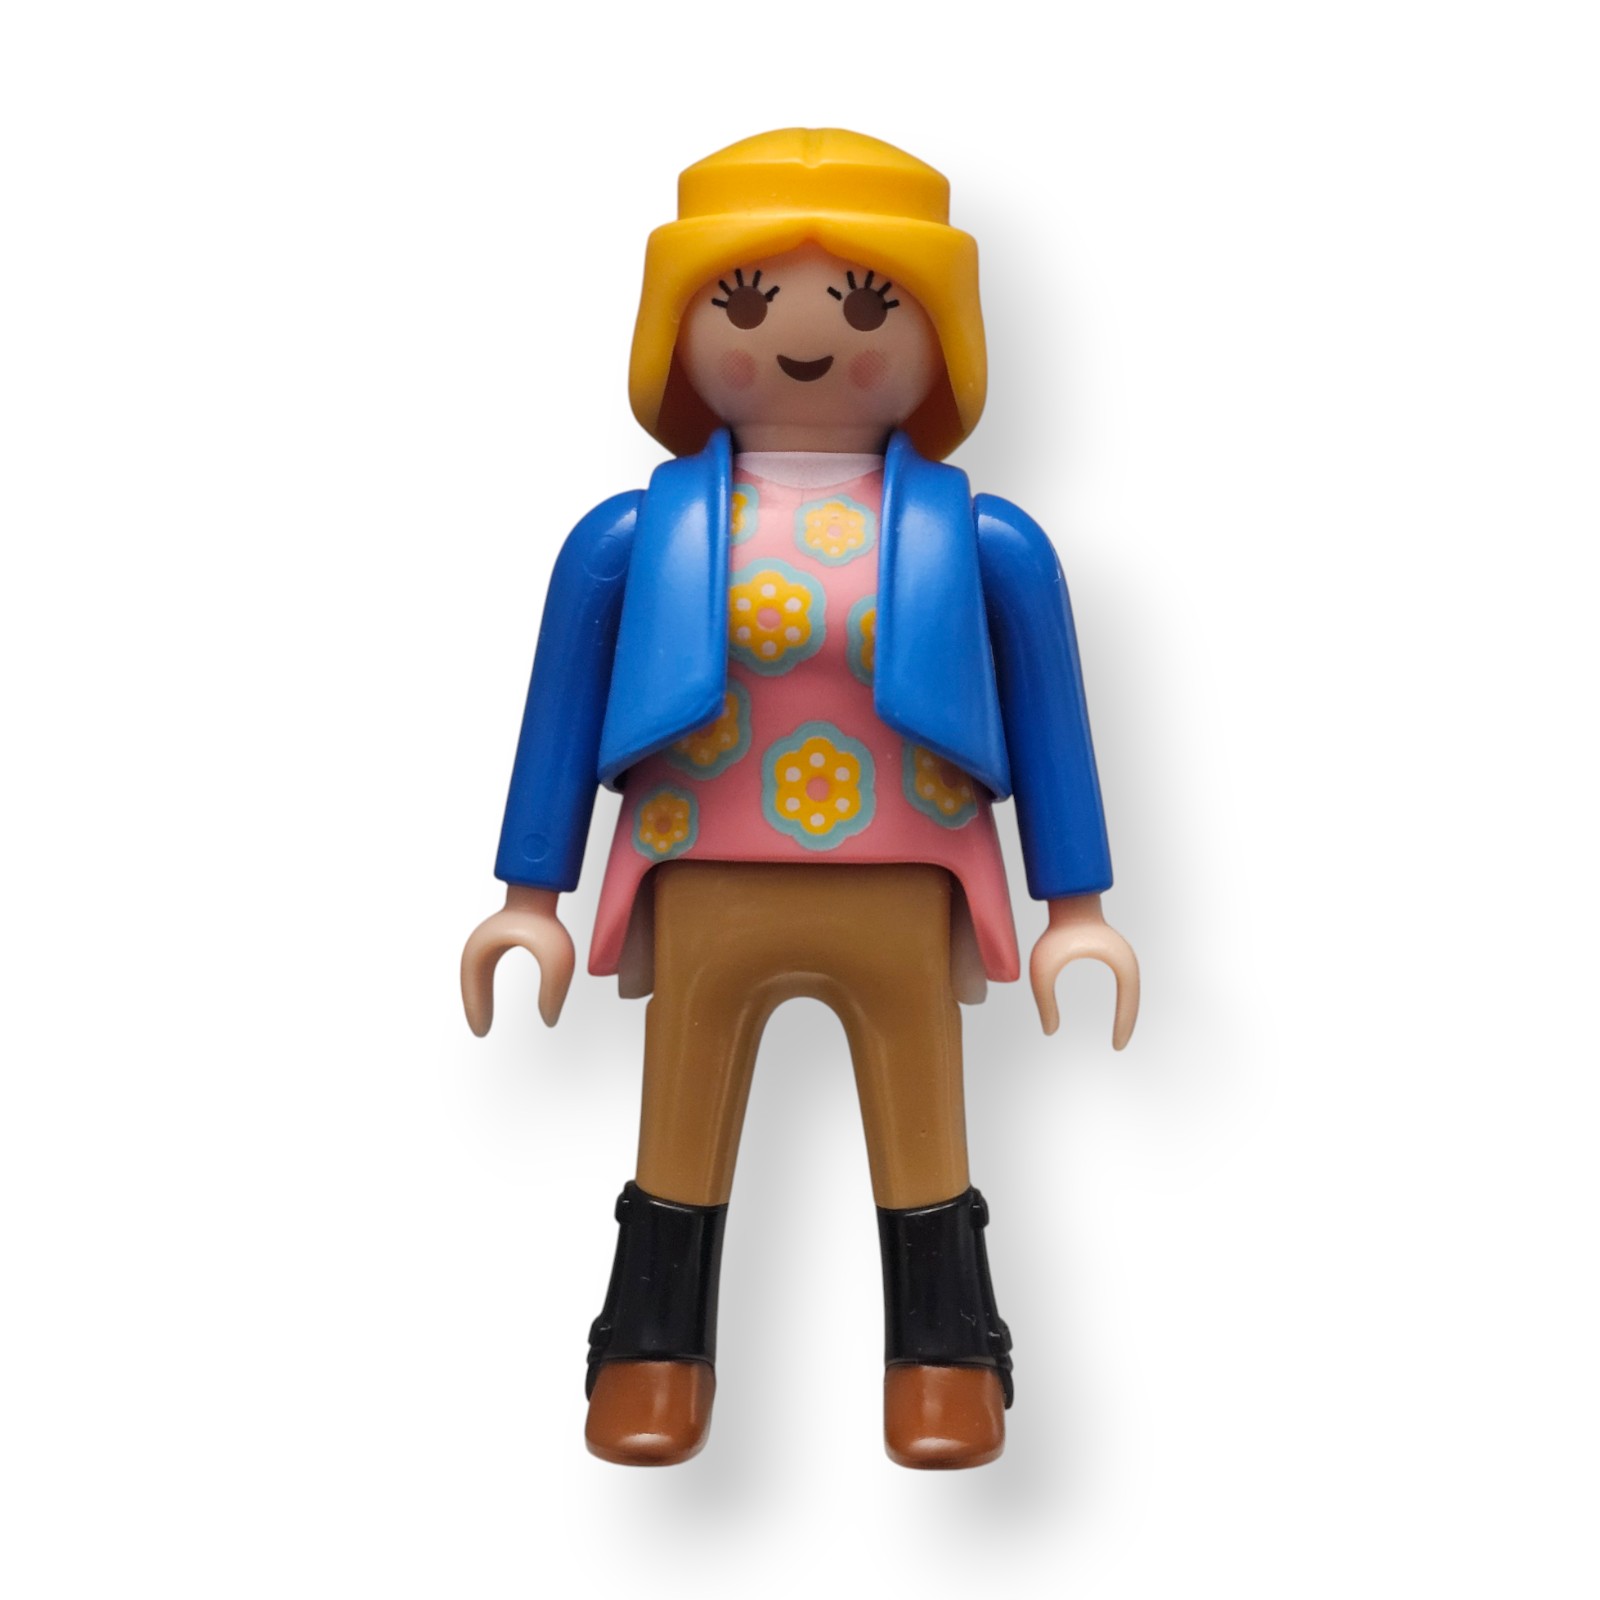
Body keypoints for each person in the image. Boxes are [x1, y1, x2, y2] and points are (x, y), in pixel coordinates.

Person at [460, 128, 1139, 1469]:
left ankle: (947, 1362)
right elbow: (560, 710)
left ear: (944, 338)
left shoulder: (984, 540)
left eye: (872, 308)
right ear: (679, 331)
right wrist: (528, 895)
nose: (808, 339)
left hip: (905, 873)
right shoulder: (634, 536)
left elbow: (1054, 720)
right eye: (748, 302)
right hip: (703, 866)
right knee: (679, 1118)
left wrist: (1079, 908)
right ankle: (650, 1354)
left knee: (924, 1123)